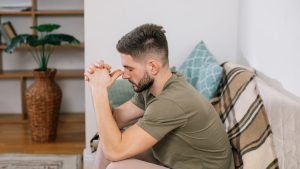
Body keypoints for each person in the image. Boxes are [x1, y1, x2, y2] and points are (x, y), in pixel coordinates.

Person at [84, 23, 234, 169]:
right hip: (173, 161)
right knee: (108, 139)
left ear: (153, 67)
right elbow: (115, 121)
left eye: (130, 69)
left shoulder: (170, 102)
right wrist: (98, 87)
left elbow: (114, 152)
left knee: (117, 166)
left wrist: (99, 92)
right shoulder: (154, 87)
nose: (124, 75)